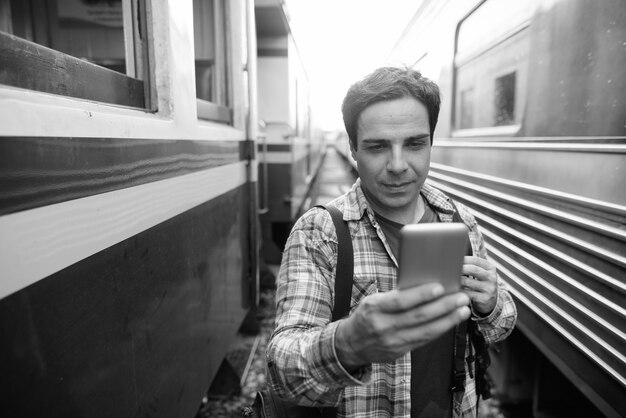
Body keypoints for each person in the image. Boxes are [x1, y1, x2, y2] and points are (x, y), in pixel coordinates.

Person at [265, 67, 517, 418]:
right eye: (378, 146)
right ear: (353, 148)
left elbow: (500, 325)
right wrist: (348, 343)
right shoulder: (319, 233)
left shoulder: (460, 222)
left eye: (415, 143)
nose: (398, 165)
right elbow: (282, 369)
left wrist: (491, 304)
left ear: (431, 142)